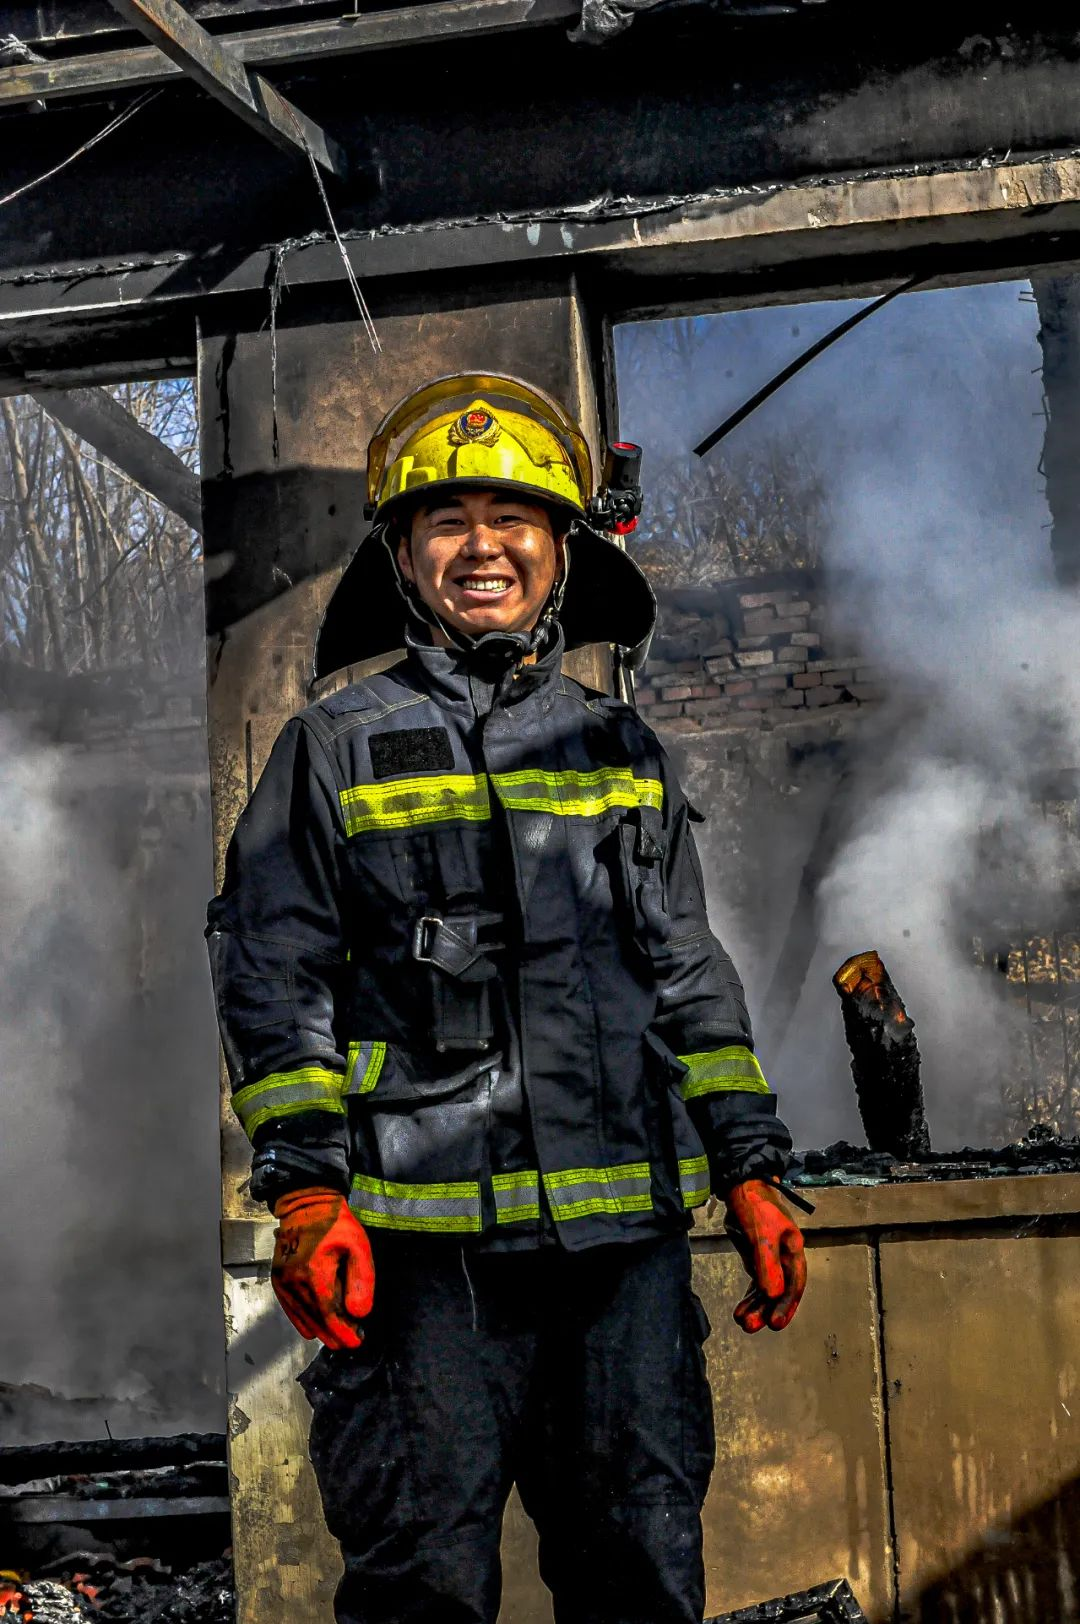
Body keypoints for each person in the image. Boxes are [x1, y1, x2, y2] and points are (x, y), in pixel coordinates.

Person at [207, 373, 806, 1624]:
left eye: (514, 515)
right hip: (424, 1272)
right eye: (448, 518)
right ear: (405, 557)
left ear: (561, 550)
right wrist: (311, 1193)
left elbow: (688, 972)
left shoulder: (622, 749)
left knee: (639, 1580)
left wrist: (749, 1167)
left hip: (619, 1268)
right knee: (423, 1588)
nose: (483, 544)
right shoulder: (331, 749)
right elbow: (274, 976)